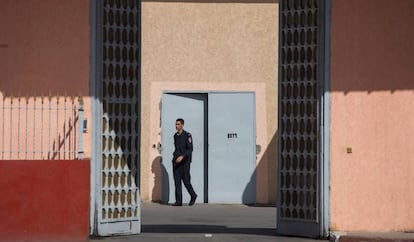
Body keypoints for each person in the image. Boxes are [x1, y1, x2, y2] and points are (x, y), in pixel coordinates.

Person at [172, 118, 197, 206]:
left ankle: (193, 195)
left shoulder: (187, 135)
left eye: (178, 124)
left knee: (186, 181)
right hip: (176, 162)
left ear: (182, 125)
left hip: (185, 162)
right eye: (176, 124)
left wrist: (182, 156)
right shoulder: (175, 136)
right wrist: (176, 157)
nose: (176, 126)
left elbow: (190, 149)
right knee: (177, 181)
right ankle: (178, 201)